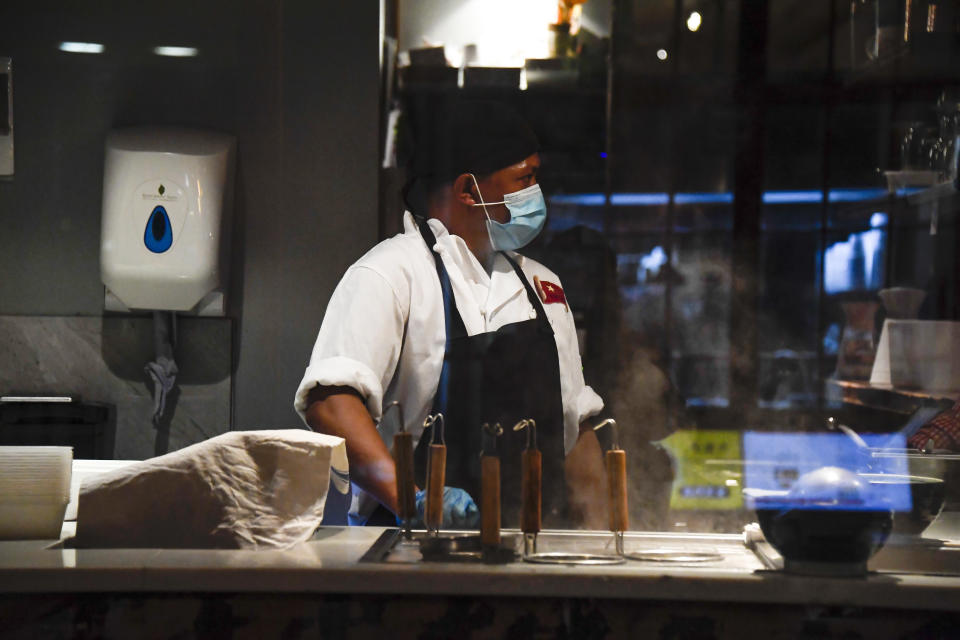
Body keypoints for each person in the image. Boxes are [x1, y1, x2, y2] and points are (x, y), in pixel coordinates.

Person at [293, 100, 605, 527]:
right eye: (525, 178)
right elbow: (330, 405)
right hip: (411, 554)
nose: (536, 193)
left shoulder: (542, 287)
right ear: (467, 190)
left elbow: (577, 429)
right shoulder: (389, 273)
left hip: (534, 547)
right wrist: (417, 501)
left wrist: (603, 543)